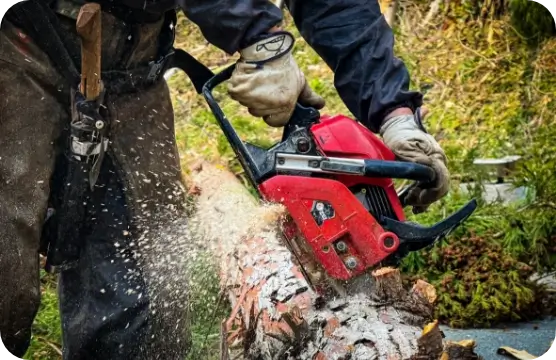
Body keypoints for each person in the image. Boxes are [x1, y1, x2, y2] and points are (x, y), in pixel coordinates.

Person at [0, 0, 450, 359]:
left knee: (147, 288)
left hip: (131, 62)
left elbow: (337, 6)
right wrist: (260, 38)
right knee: (6, 277)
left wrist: (394, 114)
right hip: (21, 41)